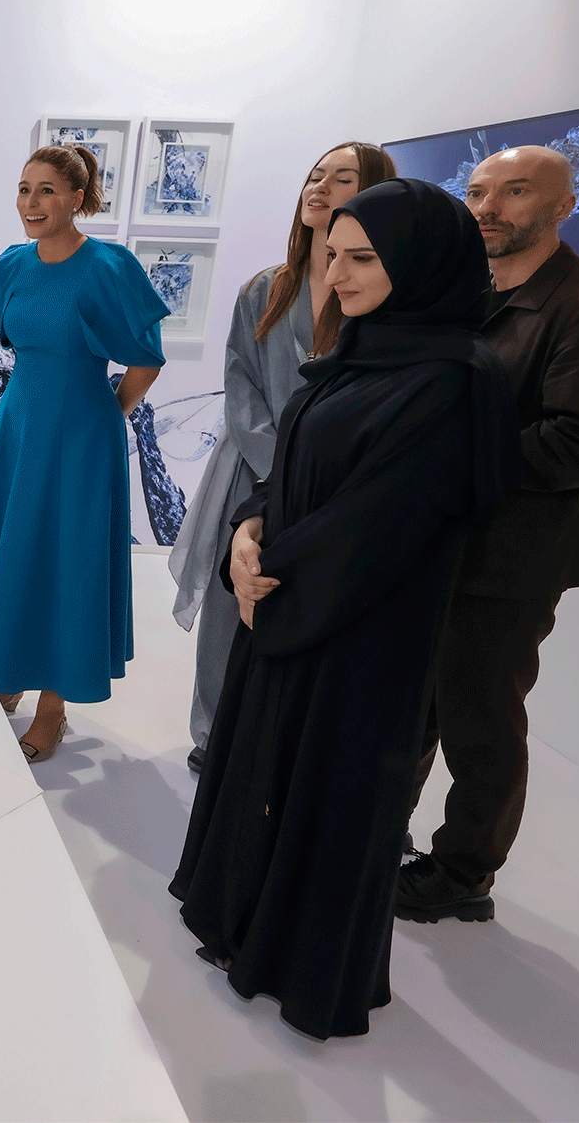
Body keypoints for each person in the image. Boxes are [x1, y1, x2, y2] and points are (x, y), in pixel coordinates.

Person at [170, 178, 521, 1040]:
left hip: (360, 633)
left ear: (419, 264)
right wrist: (248, 532)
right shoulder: (360, 352)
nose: (337, 274)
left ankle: (299, 965)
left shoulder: (454, 380)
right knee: (269, 771)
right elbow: (297, 470)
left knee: (328, 791)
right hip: (293, 602)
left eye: (362, 258)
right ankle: (243, 926)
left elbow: (379, 523)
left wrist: (269, 575)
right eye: (332, 255)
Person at [397, 146, 579, 923]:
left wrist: (449, 454)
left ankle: (463, 874)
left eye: (513, 192)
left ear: (564, 205)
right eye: (477, 191)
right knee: (415, 702)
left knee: (479, 718)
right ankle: (379, 831)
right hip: (442, 541)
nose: (487, 207)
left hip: (512, 557)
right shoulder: (472, 293)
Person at [168, 143, 397, 775]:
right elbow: (240, 380)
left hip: (334, 486)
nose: (319, 188)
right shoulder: (266, 288)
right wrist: (281, 467)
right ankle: (214, 736)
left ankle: (278, 749)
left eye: (342, 179)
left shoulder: (381, 296)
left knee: (299, 606)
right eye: (314, 176)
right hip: (253, 472)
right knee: (229, 607)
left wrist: (312, 473)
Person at [0, 145, 167, 763]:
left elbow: (146, 359)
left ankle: (53, 706)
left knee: (67, 558)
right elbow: (19, 345)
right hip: (18, 429)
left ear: (76, 198)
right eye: (24, 189)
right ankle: (9, 674)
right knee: (16, 548)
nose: (31, 202)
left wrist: (108, 415)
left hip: (81, 438)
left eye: (46, 190)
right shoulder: (11, 266)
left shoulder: (109, 266)